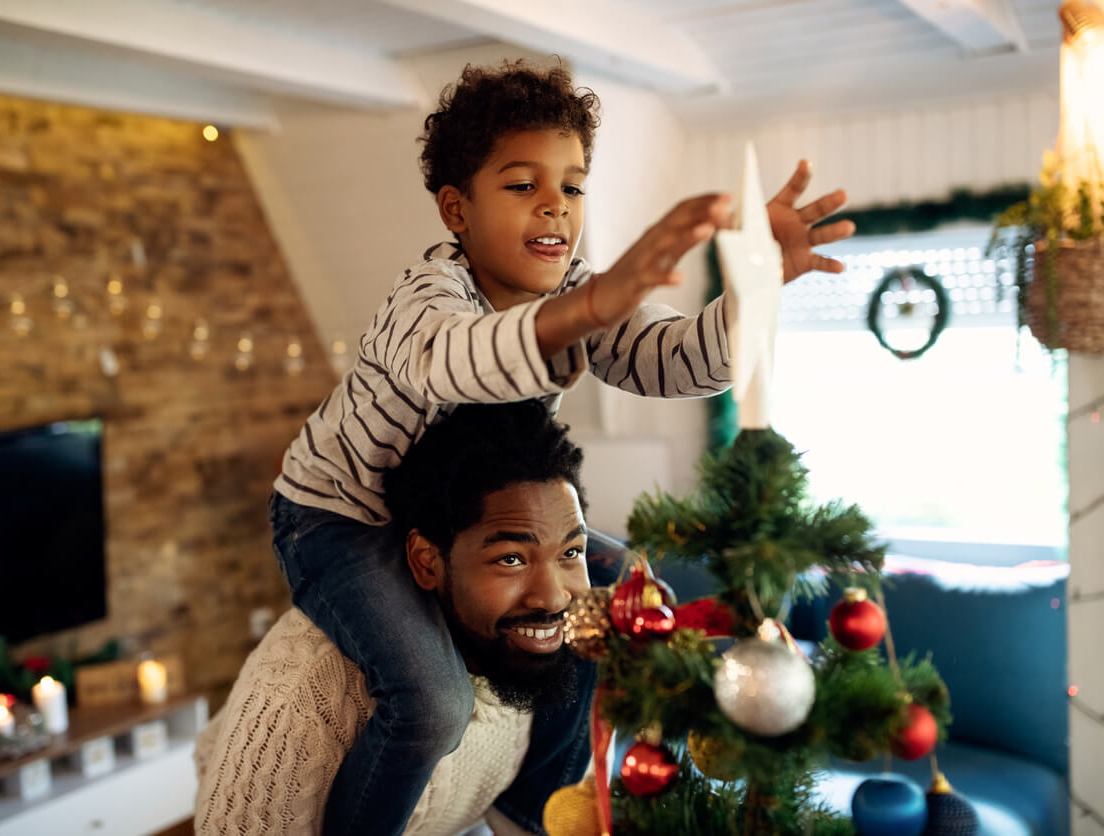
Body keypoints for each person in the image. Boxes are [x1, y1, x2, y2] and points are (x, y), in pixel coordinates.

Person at [271, 59, 855, 835]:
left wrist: (754, 288)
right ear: (456, 210)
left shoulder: (574, 290)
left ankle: (529, 805)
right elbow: (460, 361)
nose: (555, 205)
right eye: (521, 185)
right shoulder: (426, 302)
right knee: (433, 703)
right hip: (342, 521)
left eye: (573, 186)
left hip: (461, 522)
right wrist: (586, 308)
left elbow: (678, 362)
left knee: (616, 603)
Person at [197, 401, 599, 835]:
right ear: (427, 561)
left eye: (570, 552)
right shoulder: (309, 694)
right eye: (511, 558)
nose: (553, 596)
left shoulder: (538, 652)